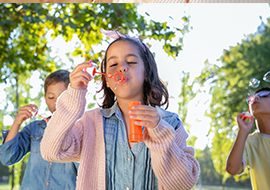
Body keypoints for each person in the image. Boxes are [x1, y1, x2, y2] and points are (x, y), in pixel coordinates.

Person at [41, 29, 200, 190]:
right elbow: (51, 151)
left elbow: (183, 184)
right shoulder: (91, 124)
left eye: (131, 62)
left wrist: (159, 134)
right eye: (113, 64)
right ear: (107, 81)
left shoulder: (169, 123)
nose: (122, 67)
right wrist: (74, 95)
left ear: (146, 72)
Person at [0, 70, 79, 190]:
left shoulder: (81, 131)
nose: (57, 103)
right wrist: (17, 123)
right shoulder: (34, 129)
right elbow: (7, 158)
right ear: (45, 98)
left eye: (63, 97)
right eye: (51, 97)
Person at [226, 87, 270, 190]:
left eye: (264, 95)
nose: (256, 98)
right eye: (251, 99)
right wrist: (242, 131)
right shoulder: (249, 141)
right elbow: (232, 169)